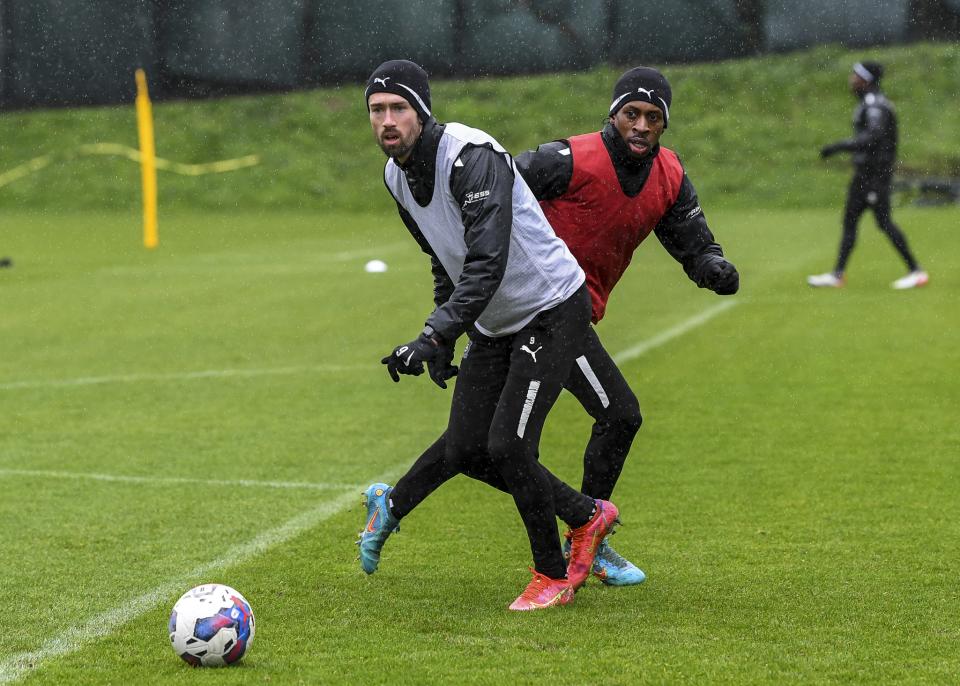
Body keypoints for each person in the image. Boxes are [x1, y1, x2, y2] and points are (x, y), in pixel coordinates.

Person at [360, 65, 739, 591]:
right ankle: (585, 528)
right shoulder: (566, 158)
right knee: (485, 444)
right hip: (524, 310)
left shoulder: (668, 174)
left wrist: (710, 265)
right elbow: (465, 233)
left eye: (653, 117)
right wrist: (443, 328)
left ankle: (581, 535)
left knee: (574, 426)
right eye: (632, 113)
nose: (640, 125)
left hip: (552, 304)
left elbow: (690, 236)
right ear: (614, 115)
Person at [359, 59, 619, 611]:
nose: (387, 120)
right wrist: (445, 336)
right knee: (465, 449)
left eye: (398, 108)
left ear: (422, 112)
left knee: (508, 446)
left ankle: (552, 575)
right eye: (377, 110)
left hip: (550, 309)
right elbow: (443, 259)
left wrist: (433, 333)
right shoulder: (395, 176)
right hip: (493, 321)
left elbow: (486, 262)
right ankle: (586, 516)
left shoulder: (471, 157)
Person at [809, 61, 928, 290]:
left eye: (856, 76)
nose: (851, 80)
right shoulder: (867, 103)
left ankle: (916, 271)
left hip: (875, 176)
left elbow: (873, 136)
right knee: (850, 221)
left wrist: (839, 146)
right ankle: (837, 274)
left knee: (884, 222)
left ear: (867, 80)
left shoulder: (876, 105)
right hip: (862, 176)